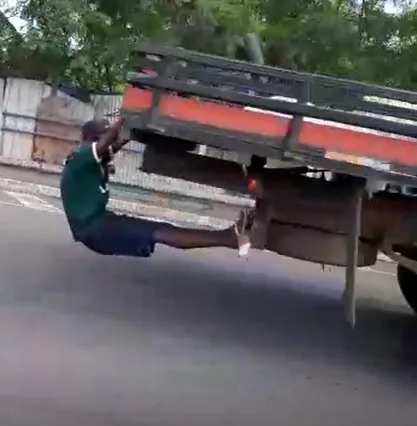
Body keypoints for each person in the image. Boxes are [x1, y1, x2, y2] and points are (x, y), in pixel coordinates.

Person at [60, 117, 260, 258]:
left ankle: (229, 236)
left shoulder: (89, 161)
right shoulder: (81, 158)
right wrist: (125, 119)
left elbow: (111, 147)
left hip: (100, 225)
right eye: (107, 134)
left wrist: (131, 134)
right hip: (95, 230)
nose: (114, 139)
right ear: (94, 138)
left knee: (163, 230)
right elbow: (106, 143)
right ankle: (229, 237)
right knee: (161, 232)